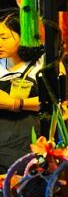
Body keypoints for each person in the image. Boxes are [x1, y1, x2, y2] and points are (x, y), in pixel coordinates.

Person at [0, 11, 45, 173]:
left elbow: (56, 105)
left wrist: (14, 103)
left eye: (4, 37)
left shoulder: (40, 65)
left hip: (29, 148)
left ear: (23, 35)